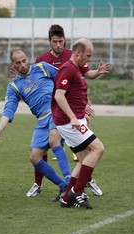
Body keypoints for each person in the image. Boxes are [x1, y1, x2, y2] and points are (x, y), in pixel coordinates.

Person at [27, 24, 106, 198]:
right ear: (50, 41)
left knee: (80, 150)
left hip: (67, 112)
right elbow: (34, 81)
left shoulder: (73, 56)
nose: (58, 45)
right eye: (55, 42)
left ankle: (77, 185)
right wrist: (21, 74)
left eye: (61, 41)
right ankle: (41, 184)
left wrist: (97, 74)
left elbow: (85, 76)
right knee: (44, 149)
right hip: (52, 111)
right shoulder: (42, 60)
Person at [0, 49, 71, 201]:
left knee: (54, 140)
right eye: (18, 63)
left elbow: (65, 78)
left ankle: (70, 184)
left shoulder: (42, 67)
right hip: (41, 120)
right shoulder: (14, 86)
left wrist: (82, 102)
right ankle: (63, 187)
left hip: (56, 111)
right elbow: (8, 109)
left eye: (24, 60)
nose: (23, 65)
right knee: (35, 157)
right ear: (13, 65)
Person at [51, 38, 110, 208]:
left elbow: (88, 76)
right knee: (98, 148)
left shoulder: (77, 67)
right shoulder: (67, 70)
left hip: (75, 120)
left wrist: (97, 72)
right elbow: (59, 96)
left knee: (84, 159)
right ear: (78, 53)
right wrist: (73, 118)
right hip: (69, 123)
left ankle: (67, 198)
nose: (90, 59)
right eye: (88, 55)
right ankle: (77, 191)